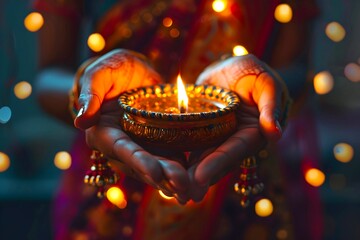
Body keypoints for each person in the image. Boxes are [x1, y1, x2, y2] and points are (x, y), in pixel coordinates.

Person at [34, 0, 318, 239]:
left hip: (240, 182)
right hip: (110, 183)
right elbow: (49, 75)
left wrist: (266, 87)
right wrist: (88, 94)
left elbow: (297, 67)